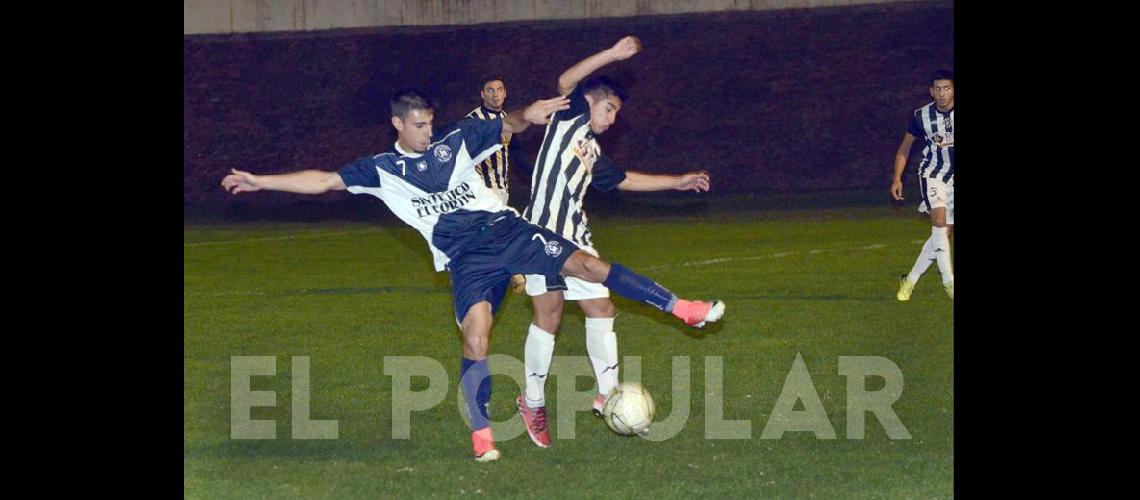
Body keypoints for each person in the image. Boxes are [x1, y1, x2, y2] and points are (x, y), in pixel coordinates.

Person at [221, 89, 725, 463]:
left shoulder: (455, 141)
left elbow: (509, 123)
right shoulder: (379, 169)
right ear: (398, 125)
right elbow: (323, 181)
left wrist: (529, 114)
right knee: (476, 337)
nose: (427, 131)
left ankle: (683, 308)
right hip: (467, 258)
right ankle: (482, 435)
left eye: (429, 123)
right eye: (418, 125)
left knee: (587, 266)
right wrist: (260, 180)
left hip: (506, 230)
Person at [513, 35, 714, 449]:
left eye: (616, 112)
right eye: (610, 109)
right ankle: (532, 403)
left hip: (575, 233)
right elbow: (566, 80)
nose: (613, 118)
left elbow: (622, 180)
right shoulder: (569, 119)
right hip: (541, 234)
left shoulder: (591, 148)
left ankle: (608, 394)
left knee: (601, 307)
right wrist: (610, 54)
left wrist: (678, 181)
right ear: (592, 101)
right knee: (548, 316)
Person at [890, 69, 955, 301]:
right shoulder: (922, 116)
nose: (942, 93)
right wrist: (897, 178)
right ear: (931, 91)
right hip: (933, 174)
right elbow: (905, 147)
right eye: (937, 89)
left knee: (941, 236)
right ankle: (949, 282)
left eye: (946, 88)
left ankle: (909, 281)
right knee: (938, 220)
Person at [465, 77, 527, 293]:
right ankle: (514, 274)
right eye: (490, 90)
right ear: (482, 94)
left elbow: (515, 154)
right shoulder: (473, 120)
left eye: (499, 90)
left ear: (505, 93)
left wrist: (535, 176)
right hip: (481, 189)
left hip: (501, 187)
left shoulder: (506, 119)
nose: (495, 94)